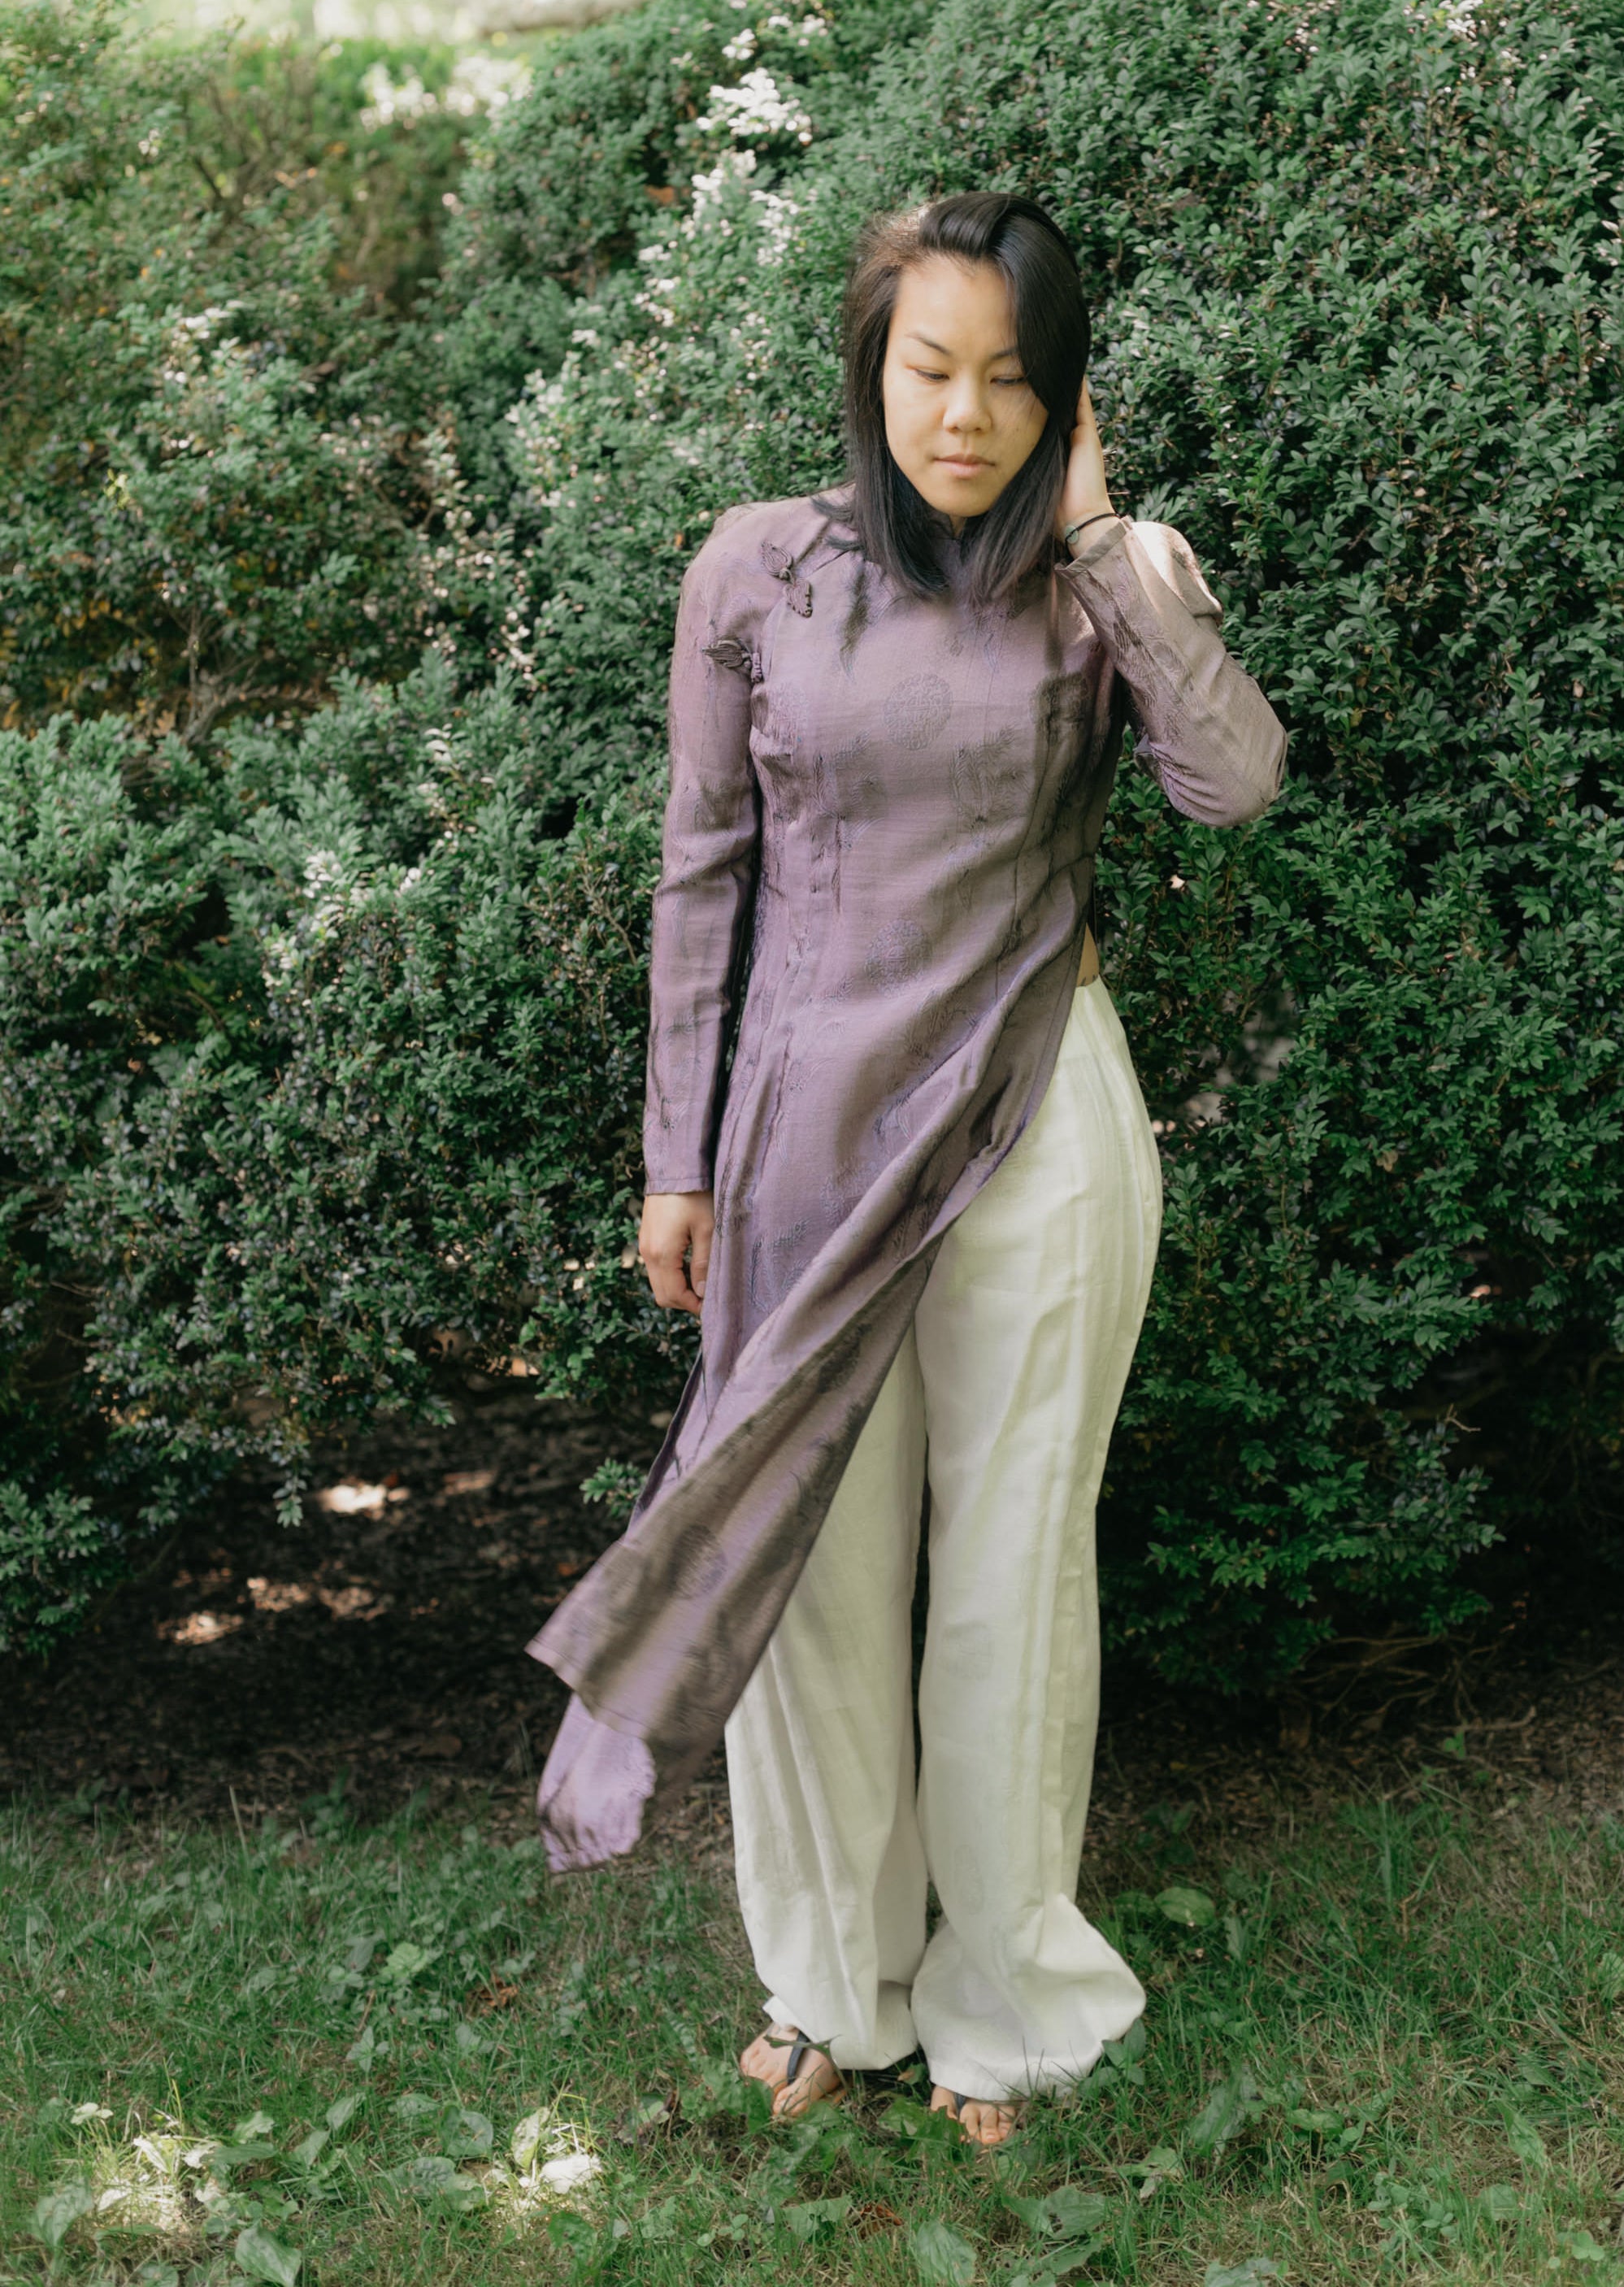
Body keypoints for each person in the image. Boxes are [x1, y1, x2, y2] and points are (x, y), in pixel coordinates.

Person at [527, 192, 1287, 2148]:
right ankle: (827, 1989)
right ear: (871, 368)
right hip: (799, 1142)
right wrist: (674, 1157)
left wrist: (1111, 536)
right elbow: (704, 873)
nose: (967, 417)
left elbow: (1233, 779)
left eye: (1015, 382)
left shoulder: (1112, 580)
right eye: (932, 369)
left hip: (1039, 1118)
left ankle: (1006, 2001)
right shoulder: (756, 571)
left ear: (1068, 398)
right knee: (813, 1582)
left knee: (1015, 1570)